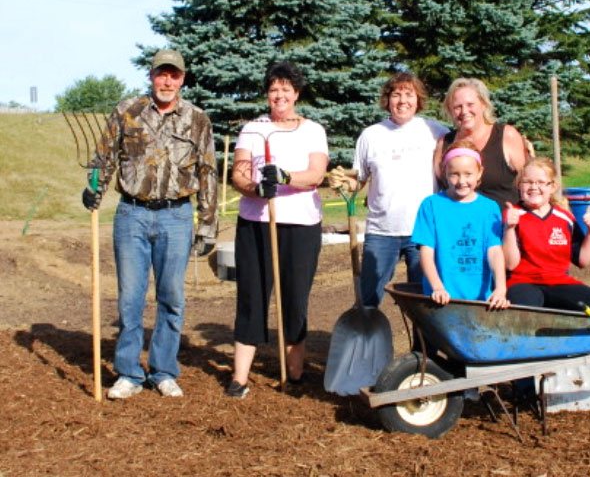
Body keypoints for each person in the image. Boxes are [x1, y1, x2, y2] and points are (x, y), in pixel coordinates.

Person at [81, 49, 218, 400]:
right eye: (162, 74)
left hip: (176, 217)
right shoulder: (128, 111)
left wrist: (207, 223)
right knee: (130, 298)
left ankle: (163, 371)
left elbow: (208, 172)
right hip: (132, 216)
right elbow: (103, 156)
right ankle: (128, 372)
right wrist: (93, 187)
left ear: (182, 79)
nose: (167, 81)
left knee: (171, 297)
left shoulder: (197, 119)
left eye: (174, 75)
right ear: (152, 76)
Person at [227, 61, 328, 398]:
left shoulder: (312, 130)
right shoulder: (253, 130)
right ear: (267, 94)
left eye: (286, 89)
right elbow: (239, 174)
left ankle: (294, 373)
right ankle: (239, 377)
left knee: (294, 299)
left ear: (296, 93)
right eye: (274, 90)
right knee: (252, 297)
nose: (279, 95)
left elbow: (316, 175)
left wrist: (285, 178)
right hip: (255, 225)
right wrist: (256, 188)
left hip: (300, 226)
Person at [327, 72, 448, 307]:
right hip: (382, 230)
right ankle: (368, 339)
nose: (402, 101)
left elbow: (461, 157)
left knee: (425, 300)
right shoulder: (371, 135)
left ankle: (422, 345)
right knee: (369, 297)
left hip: (424, 231)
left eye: (409, 94)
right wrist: (343, 182)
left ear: (418, 99)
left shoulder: (436, 132)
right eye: (396, 94)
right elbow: (358, 180)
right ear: (388, 99)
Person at [502, 157, 590, 313]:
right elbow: (510, 265)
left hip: (559, 281)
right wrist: (509, 228)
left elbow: (583, 260)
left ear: (552, 186)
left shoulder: (564, 217)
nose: (534, 187)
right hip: (522, 282)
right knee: (524, 311)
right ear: (519, 185)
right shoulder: (512, 215)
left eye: (541, 182)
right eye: (527, 182)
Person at [410, 141, 509, 308]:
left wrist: (500, 288)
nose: (461, 181)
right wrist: (437, 287)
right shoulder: (431, 205)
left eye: (468, 174)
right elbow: (426, 252)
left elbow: (494, 251)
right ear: (444, 173)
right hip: (442, 298)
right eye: (454, 174)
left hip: (480, 299)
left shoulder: (489, 208)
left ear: (479, 173)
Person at [434, 77, 529, 209]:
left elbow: (529, 181)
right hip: (459, 226)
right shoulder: (444, 143)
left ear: (483, 104)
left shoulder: (507, 135)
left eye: (470, 104)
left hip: (502, 225)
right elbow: (439, 189)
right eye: (457, 107)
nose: (464, 111)